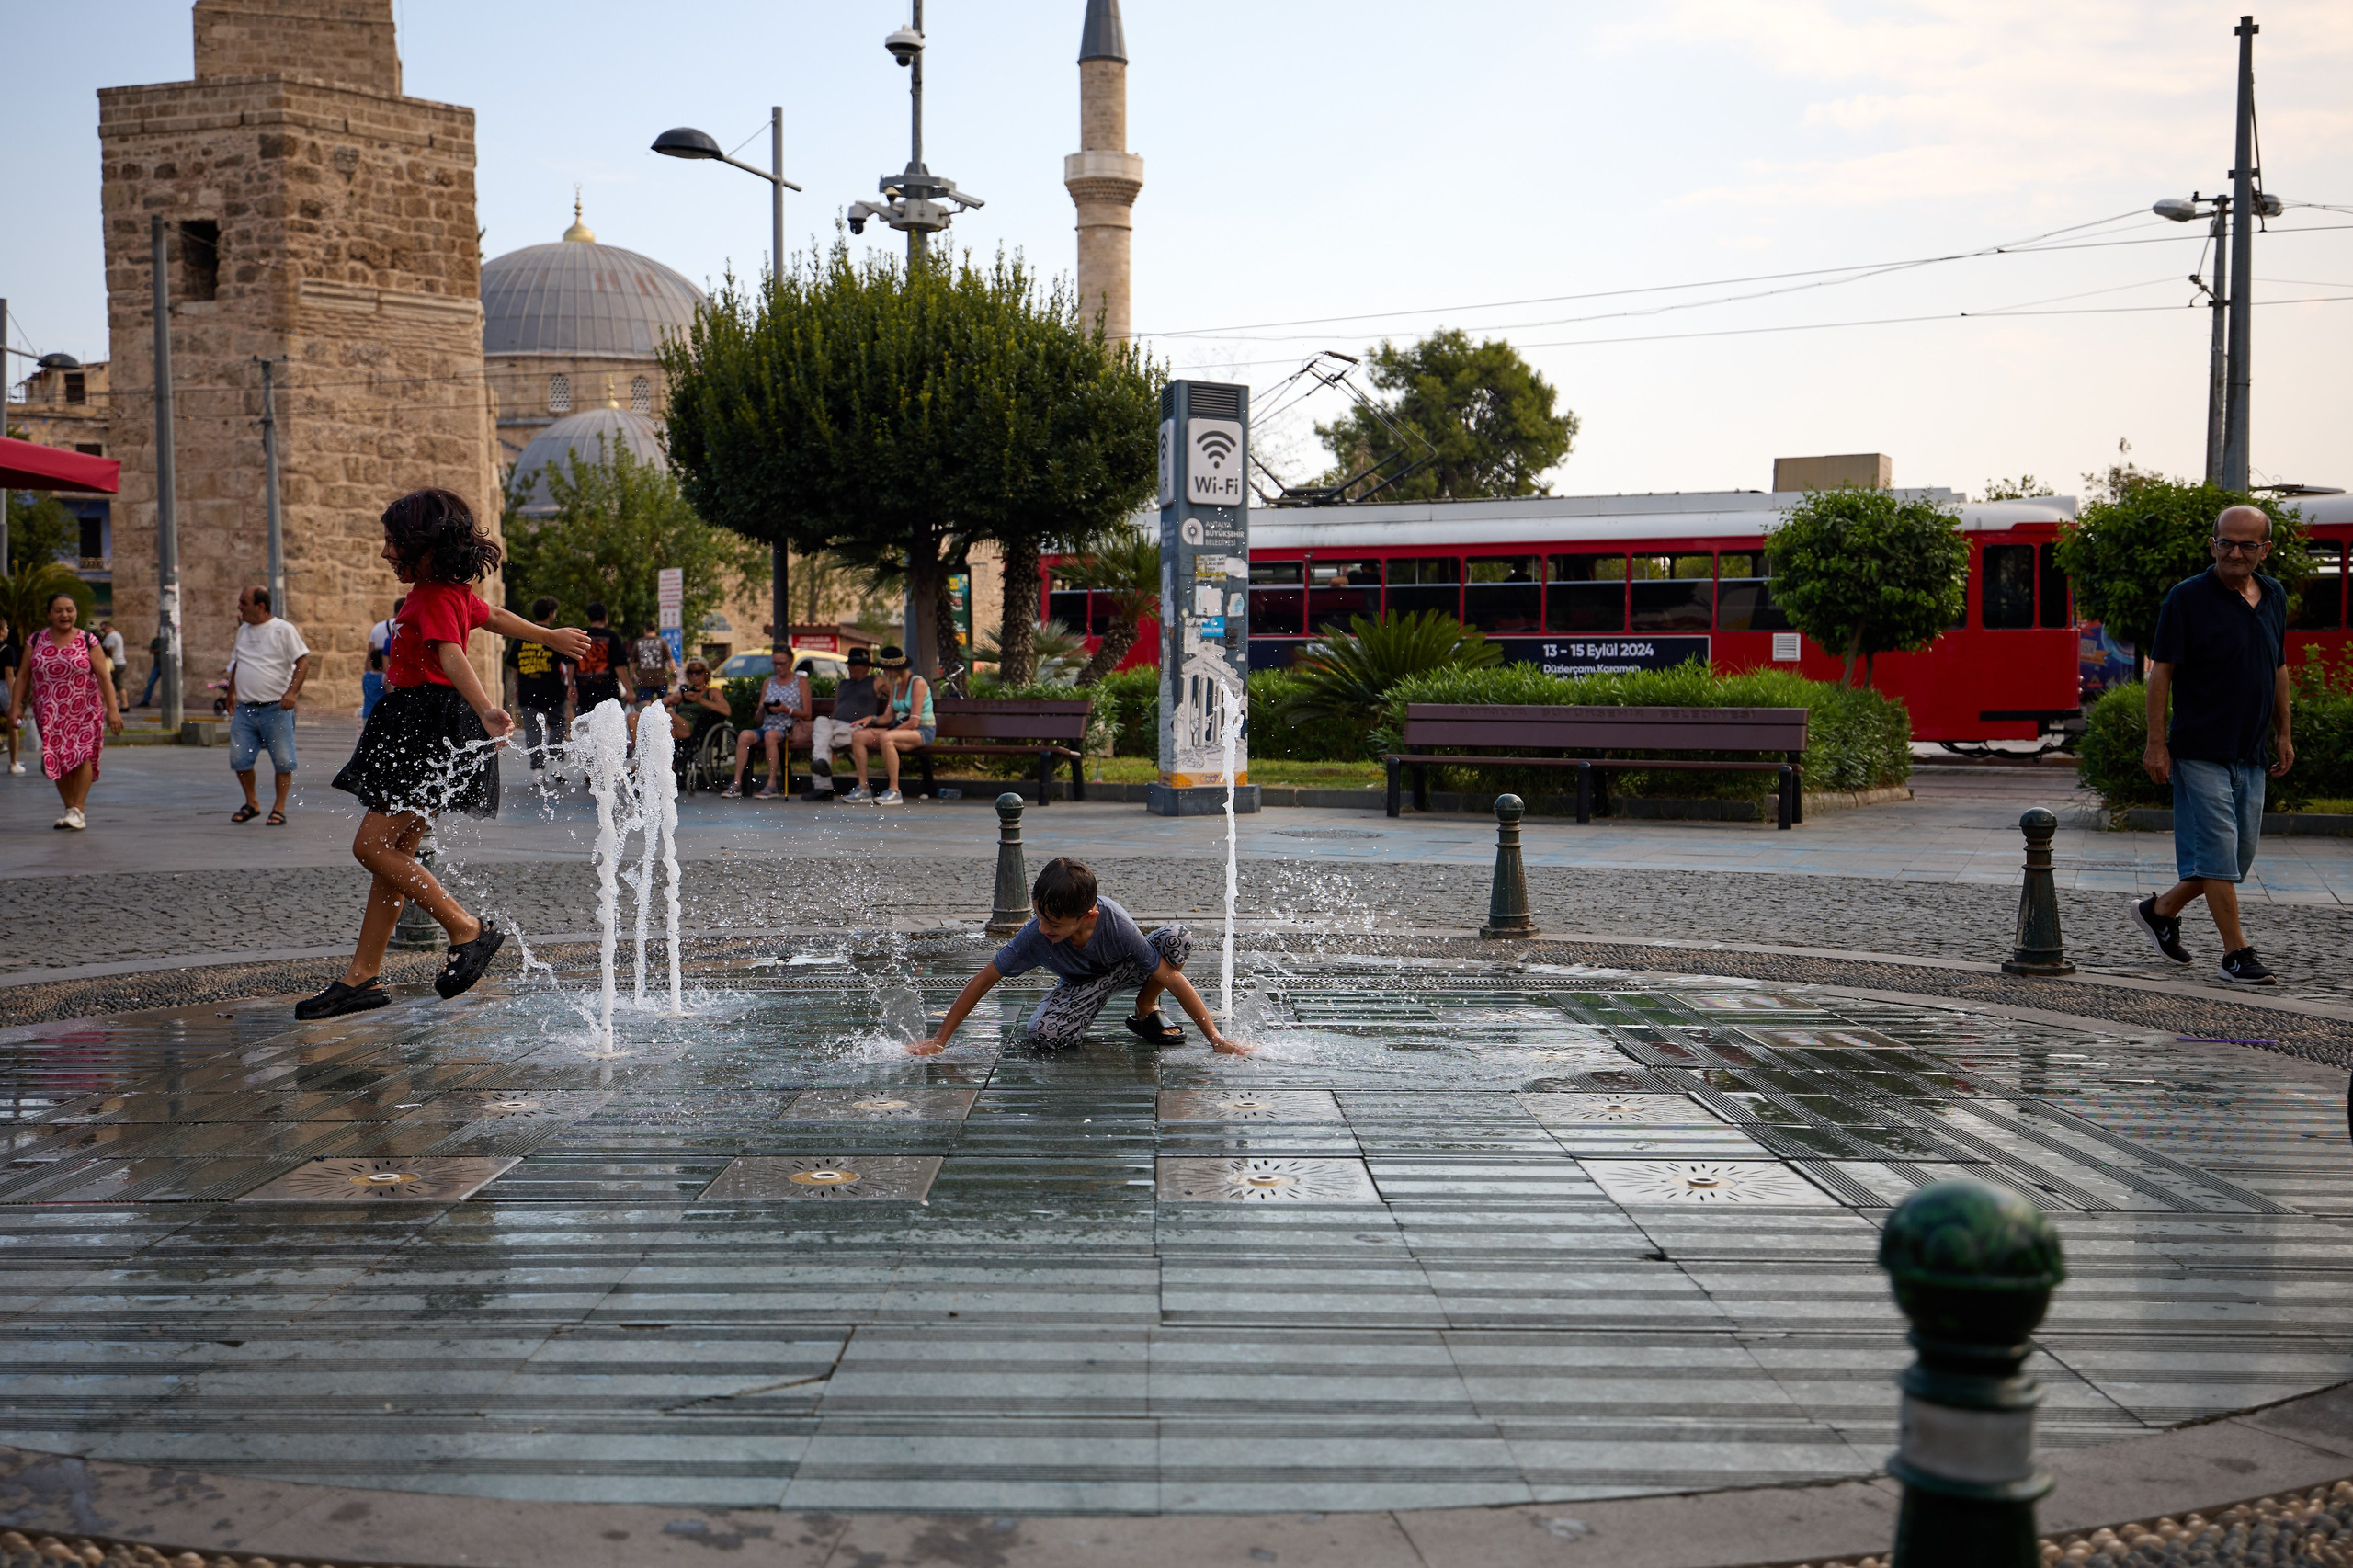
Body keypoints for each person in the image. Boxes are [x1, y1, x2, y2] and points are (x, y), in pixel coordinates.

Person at [299, 488, 588, 1020]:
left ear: (424, 546)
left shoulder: (430, 597)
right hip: (435, 724)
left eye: (394, 542)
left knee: (372, 846)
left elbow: (451, 654)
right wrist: (546, 636)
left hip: (421, 724)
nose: (386, 552)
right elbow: (494, 616)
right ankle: (362, 977)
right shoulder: (452, 591)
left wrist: (488, 709)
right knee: (396, 856)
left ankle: (465, 928)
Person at [2131, 504, 2293, 986]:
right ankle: (2235, 954)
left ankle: (2161, 911)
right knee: (2220, 854)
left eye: (2247, 545)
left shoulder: (2274, 594)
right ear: (2212, 544)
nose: (2235, 553)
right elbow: (2161, 672)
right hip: (2199, 748)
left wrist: (2284, 732)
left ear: (2265, 549)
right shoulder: (2187, 597)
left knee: (2235, 859)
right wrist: (2156, 743)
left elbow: (2278, 667)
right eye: (2226, 543)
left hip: (2251, 750)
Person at [910, 858, 1246, 1056]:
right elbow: (983, 981)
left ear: (1089, 916)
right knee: (1044, 1036)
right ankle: (1078, 1011)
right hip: (1082, 987)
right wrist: (939, 1040)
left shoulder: (1116, 924)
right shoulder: (1034, 935)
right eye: (1039, 917)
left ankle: (1146, 1006)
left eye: (1055, 924)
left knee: (1177, 938)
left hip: (1128, 970)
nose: (1043, 928)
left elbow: (1171, 976)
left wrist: (1216, 1040)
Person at [6, 590, 121, 830]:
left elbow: (104, 678)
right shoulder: (35, 640)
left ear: (76, 612)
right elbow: (23, 675)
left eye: (69, 610)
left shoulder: (88, 640)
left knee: (81, 755)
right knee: (57, 758)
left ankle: (78, 808)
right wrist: (15, 706)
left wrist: (112, 710)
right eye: (58, 610)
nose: (65, 615)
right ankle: (71, 809)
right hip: (49, 712)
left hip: (84, 709)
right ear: (49, 614)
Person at [225, 585, 311, 825]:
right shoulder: (243, 630)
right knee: (239, 759)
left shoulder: (283, 629)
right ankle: (252, 803)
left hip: (276, 708)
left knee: (283, 761)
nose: (239, 607)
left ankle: (279, 808)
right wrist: (231, 692)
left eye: (244, 603)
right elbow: (239, 662)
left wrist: (292, 692)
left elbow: (303, 662)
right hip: (245, 707)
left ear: (260, 606)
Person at [841, 644, 933, 805]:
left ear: (895, 668)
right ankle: (863, 789)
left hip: (922, 730)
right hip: (901, 729)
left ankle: (894, 791)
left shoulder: (917, 683)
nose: (883, 672)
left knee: (886, 738)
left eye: (885, 669)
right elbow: (887, 716)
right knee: (858, 736)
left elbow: (914, 721)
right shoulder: (895, 685)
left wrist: (889, 732)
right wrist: (871, 719)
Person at [723, 656, 811, 799]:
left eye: (781, 663)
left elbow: (807, 714)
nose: (778, 667)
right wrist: (762, 709)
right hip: (767, 725)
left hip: (789, 728)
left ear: (790, 662)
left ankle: (772, 784)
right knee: (745, 735)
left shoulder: (800, 682)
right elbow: (758, 720)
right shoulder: (768, 682)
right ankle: (737, 782)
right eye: (775, 663)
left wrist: (786, 710)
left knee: (770, 735)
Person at [805, 648, 881, 801]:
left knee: (823, 740)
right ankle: (822, 762)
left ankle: (823, 787)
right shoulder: (842, 684)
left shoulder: (876, 681)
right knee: (821, 721)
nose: (850, 668)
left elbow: (897, 695)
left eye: (854, 664)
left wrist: (875, 718)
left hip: (857, 728)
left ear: (866, 667)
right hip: (836, 724)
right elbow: (836, 709)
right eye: (849, 664)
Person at [508, 594, 572, 771]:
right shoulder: (554, 637)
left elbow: (515, 667)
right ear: (551, 614)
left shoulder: (521, 638)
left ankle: (537, 769)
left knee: (533, 729)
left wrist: (518, 687)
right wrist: (570, 685)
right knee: (558, 725)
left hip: (528, 690)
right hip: (553, 690)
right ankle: (556, 762)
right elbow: (567, 663)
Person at [573, 602, 628, 716]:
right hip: (608, 691)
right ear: (605, 617)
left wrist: (570, 685)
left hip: (584, 691)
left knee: (585, 722)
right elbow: (619, 665)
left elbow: (571, 663)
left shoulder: (581, 635)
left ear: (589, 618)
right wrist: (629, 690)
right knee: (610, 722)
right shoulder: (612, 636)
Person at [362, 597, 401, 721]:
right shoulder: (406, 627)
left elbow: (369, 656)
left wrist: (369, 673)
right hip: (396, 676)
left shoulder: (378, 628)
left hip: (369, 711)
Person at [631, 624, 676, 708]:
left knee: (644, 706)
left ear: (645, 630)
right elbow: (670, 660)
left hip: (645, 680)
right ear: (655, 630)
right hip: (661, 679)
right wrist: (674, 674)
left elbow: (633, 662)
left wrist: (632, 674)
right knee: (663, 705)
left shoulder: (639, 642)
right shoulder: (662, 641)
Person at [0, 617, 22, 775]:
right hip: (3, 687)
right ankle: (13, 763)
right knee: (13, 724)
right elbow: (9, 674)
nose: (8, 630)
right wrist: (14, 699)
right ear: (1, 631)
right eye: (6, 627)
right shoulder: (7, 650)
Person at [97, 620, 128, 710]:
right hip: (121, 662)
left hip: (114, 664)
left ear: (108, 627)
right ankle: (125, 705)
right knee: (119, 685)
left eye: (103, 629)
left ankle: (107, 705)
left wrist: (108, 659)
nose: (103, 631)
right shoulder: (117, 634)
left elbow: (109, 649)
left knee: (106, 684)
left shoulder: (111, 636)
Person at [138, 629, 165, 708]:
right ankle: (145, 700)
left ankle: (166, 701)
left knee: (166, 684)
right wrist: (159, 650)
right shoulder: (155, 641)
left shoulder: (167, 641)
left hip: (165, 667)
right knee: (150, 682)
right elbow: (151, 651)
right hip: (157, 665)